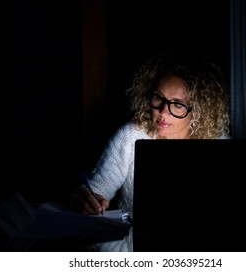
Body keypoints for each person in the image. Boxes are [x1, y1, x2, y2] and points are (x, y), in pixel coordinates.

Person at [71, 48, 231, 251]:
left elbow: (242, 209)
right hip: (133, 250)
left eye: (178, 105)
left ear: (198, 111)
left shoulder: (219, 144)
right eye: (158, 98)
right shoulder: (131, 136)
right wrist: (87, 199)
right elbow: (97, 189)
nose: (163, 112)